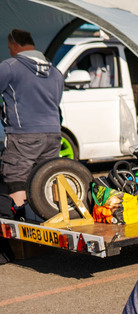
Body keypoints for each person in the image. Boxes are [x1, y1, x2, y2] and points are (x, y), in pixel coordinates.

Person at [0, 29, 64, 217]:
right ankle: (49, 221)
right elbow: (56, 102)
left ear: (14, 45)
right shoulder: (56, 72)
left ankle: (19, 229)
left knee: (17, 177)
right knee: (45, 178)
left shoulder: (10, 66)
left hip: (23, 134)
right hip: (53, 134)